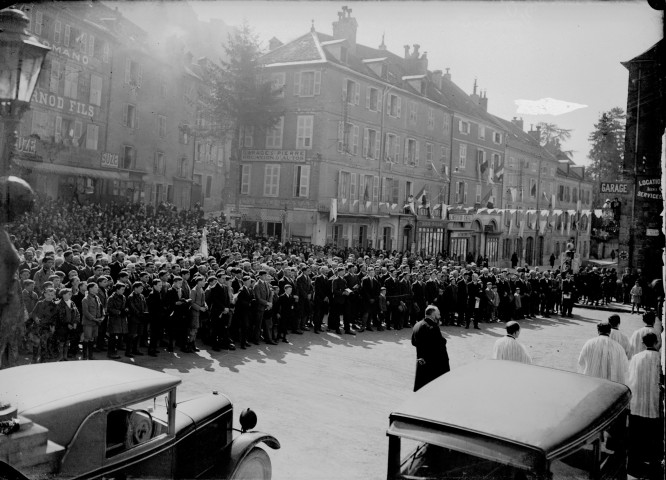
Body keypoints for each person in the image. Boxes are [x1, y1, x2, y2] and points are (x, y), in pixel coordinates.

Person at [626, 332, 662, 479]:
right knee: (653, 436)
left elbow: (629, 377)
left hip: (637, 402)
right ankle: (653, 466)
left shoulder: (636, 357)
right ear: (656, 343)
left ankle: (633, 465)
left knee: (636, 436)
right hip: (653, 403)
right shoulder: (659, 359)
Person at [411, 305, 450, 391]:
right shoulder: (433, 328)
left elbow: (413, 342)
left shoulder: (417, 325)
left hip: (421, 362)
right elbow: (441, 343)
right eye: (438, 314)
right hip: (433, 365)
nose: (439, 317)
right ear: (433, 315)